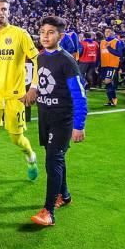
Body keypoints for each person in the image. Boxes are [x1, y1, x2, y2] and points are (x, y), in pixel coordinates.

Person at [0, 0, 40, 196]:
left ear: (9, 12)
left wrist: (34, 86)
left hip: (15, 96)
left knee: (16, 138)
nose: (0, 12)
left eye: (4, 9)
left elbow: (38, 59)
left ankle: (30, 156)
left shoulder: (20, 34)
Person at [29, 16, 87, 227]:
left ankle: (49, 211)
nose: (45, 35)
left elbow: (79, 95)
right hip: (45, 116)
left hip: (62, 119)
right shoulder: (41, 57)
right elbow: (40, 82)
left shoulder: (67, 60)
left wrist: (78, 125)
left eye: (51, 32)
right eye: (42, 31)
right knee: (55, 159)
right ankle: (65, 194)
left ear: (60, 36)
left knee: (52, 161)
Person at [99, 27, 123, 107]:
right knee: (107, 83)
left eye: (109, 31)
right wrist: (97, 65)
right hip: (104, 65)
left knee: (107, 81)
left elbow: (119, 54)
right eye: (106, 31)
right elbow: (100, 54)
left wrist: (109, 48)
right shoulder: (102, 42)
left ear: (112, 32)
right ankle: (110, 100)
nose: (107, 33)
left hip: (112, 65)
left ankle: (114, 98)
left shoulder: (117, 42)